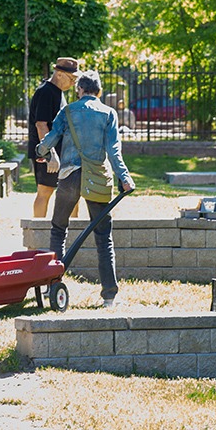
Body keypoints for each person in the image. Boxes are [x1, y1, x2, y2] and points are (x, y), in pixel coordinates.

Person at [36, 70, 135, 307]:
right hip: (97, 180)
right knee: (103, 237)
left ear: (79, 90)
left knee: (58, 230)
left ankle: (53, 287)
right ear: (99, 91)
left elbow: (51, 138)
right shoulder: (109, 113)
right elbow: (114, 151)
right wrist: (125, 177)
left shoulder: (68, 110)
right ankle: (109, 296)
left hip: (70, 177)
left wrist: (41, 152)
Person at [28, 58, 79, 217]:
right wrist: (51, 155)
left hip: (63, 152)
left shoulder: (58, 92)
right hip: (48, 154)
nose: (73, 83)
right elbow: (41, 125)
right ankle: (38, 234)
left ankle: (73, 235)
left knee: (73, 194)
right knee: (45, 192)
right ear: (59, 74)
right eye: (71, 79)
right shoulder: (45, 92)